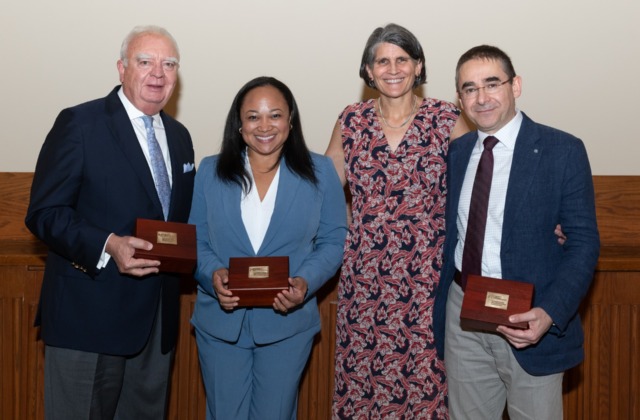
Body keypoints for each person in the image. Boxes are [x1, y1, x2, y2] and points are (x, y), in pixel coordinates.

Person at [25, 25, 195, 419]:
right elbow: (44, 212)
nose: (158, 73)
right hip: (88, 318)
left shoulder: (180, 137)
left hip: (155, 327)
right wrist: (107, 244)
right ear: (121, 68)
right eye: (145, 61)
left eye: (169, 64)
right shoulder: (80, 124)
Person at [434, 45, 600, 419]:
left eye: (492, 84)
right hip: (464, 311)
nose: (482, 97)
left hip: (529, 315)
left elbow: (585, 245)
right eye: (470, 88)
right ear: (459, 98)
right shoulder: (457, 153)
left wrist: (550, 312)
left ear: (516, 86)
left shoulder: (563, 150)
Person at [326, 23, 468, 418]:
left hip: (427, 278)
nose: (393, 68)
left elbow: (480, 185)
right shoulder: (350, 121)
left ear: (418, 65)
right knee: (362, 380)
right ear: (368, 70)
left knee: (425, 380)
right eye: (382, 60)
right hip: (365, 277)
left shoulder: (446, 118)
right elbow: (319, 195)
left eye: (402, 59)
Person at [189, 76, 347, 419]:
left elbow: (334, 240)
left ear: (290, 121)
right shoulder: (210, 171)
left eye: (275, 115)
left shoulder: (320, 172)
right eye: (253, 116)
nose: (265, 126)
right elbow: (196, 241)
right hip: (220, 325)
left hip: (287, 324)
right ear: (239, 124)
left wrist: (305, 282)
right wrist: (212, 274)